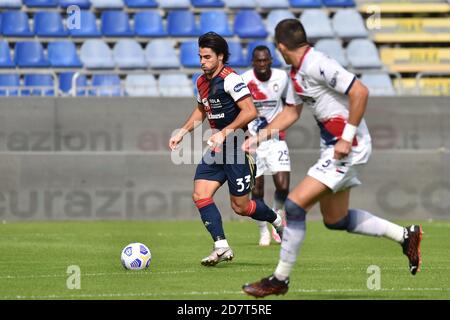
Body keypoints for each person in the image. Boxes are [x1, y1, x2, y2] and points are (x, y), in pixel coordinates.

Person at [241, 19, 423, 297]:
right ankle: (405, 236)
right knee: (335, 219)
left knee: (293, 206)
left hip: (349, 146)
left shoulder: (316, 63)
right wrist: (259, 136)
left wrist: (347, 138)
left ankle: (280, 279)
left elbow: (360, 91)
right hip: (336, 147)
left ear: (279, 46)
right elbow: (291, 113)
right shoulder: (294, 73)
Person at [168, 32, 284, 267]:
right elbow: (202, 110)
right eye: (200, 56)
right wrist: (182, 131)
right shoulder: (201, 82)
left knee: (241, 207)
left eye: (207, 57)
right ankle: (221, 246)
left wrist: (224, 132)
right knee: (200, 194)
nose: (202, 61)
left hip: (237, 148)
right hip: (217, 148)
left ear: (220, 56)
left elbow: (250, 111)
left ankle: (277, 219)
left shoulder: (231, 79)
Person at [241, 46, 292, 246]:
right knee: (258, 190)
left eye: (265, 60)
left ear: (271, 60)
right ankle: (263, 231)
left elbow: (290, 106)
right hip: (253, 141)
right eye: (258, 61)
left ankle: (278, 220)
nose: (262, 64)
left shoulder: (282, 78)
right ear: (253, 62)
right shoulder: (245, 80)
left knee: (283, 185)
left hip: (275, 139)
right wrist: (246, 135)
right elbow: (240, 109)